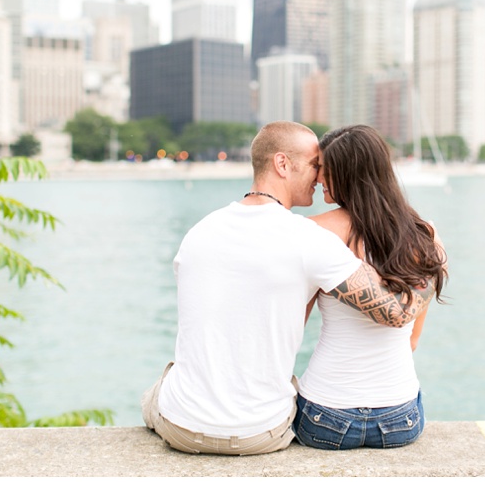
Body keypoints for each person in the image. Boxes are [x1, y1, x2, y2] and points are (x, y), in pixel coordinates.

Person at [141, 121, 434, 456]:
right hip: (264, 433)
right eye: (314, 166)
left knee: (161, 387)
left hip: (182, 427)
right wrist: (435, 269)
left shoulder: (199, 231)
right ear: (282, 164)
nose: (319, 177)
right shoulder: (310, 239)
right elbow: (397, 315)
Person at [295, 124, 448, 450]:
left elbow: (291, 330)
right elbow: (413, 340)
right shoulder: (425, 234)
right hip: (400, 417)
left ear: (348, 174)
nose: (318, 178)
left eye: (324, 169)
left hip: (325, 414)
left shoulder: (313, 232)